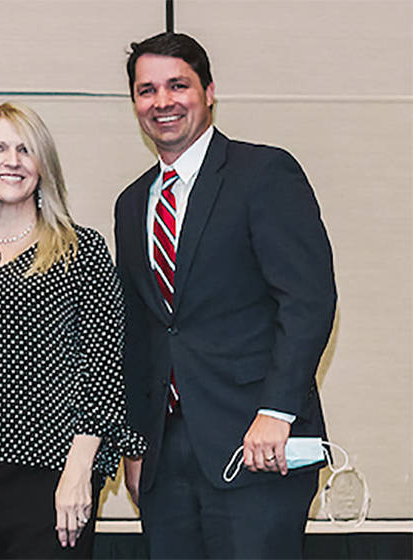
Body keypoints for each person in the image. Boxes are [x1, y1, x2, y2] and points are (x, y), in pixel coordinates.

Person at [114, 33, 337, 558]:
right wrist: (136, 443)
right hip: (165, 458)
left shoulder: (262, 173)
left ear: (209, 91)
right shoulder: (131, 204)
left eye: (178, 85)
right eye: (147, 90)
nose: (162, 101)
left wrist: (276, 412)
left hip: (256, 445)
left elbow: (308, 301)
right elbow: (141, 332)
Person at [0, 102, 146, 559]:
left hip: (57, 481)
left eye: (25, 149)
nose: (12, 160)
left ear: (43, 166)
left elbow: (103, 368)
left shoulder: (81, 250)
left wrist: (79, 473)